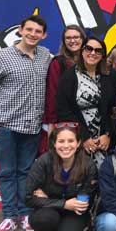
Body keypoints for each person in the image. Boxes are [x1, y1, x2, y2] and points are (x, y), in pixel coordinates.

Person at [0, 15, 51, 231]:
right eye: (29, 29)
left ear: (44, 35)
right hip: (5, 126)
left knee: (26, 172)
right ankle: (9, 216)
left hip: (31, 127)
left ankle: (25, 214)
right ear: (20, 30)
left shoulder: (45, 57)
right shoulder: (0, 57)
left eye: (37, 31)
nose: (32, 34)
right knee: (7, 172)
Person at [25, 122, 96, 231]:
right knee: (43, 219)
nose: (66, 146)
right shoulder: (43, 162)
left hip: (73, 211)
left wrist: (77, 204)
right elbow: (28, 198)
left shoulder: (88, 165)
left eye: (71, 141)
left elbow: (85, 198)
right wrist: (64, 203)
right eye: (61, 141)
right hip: (49, 210)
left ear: (78, 144)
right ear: (54, 144)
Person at [56, 36, 116, 169]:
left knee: (106, 177)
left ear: (103, 55)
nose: (93, 53)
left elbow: (115, 108)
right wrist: (84, 137)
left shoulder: (110, 76)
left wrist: (107, 134)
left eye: (98, 51)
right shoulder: (69, 77)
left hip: (105, 141)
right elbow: (64, 111)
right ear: (82, 50)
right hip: (79, 139)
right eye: (89, 48)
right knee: (82, 177)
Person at [39, 25, 86, 155]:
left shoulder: (91, 61)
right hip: (65, 121)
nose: (72, 41)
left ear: (83, 39)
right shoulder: (58, 62)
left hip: (88, 119)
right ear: (64, 41)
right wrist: (52, 123)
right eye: (68, 38)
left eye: (76, 37)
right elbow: (52, 94)